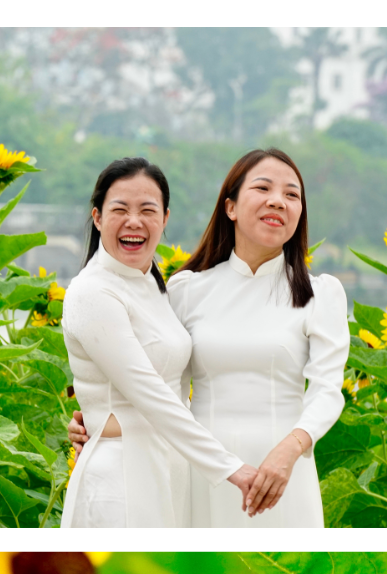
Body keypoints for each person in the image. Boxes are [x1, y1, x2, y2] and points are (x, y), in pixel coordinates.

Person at [69, 149, 347, 528]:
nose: (277, 201)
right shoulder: (187, 289)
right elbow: (163, 381)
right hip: (198, 468)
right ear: (230, 207)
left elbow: (329, 390)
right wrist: (101, 421)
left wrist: (292, 447)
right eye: (263, 187)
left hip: (282, 470)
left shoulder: (320, 294)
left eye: (292, 195)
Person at [59, 157, 266, 528]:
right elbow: (150, 393)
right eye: (119, 209)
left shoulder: (154, 283)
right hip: (120, 476)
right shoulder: (91, 292)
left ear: (165, 219)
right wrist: (232, 469)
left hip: (168, 467)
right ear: (97, 218)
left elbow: (176, 381)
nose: (134, 221)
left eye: (147, 210)